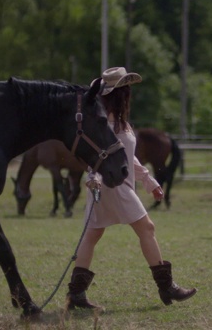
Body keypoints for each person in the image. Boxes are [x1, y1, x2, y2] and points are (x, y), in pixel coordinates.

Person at [66, 67, 197, 310]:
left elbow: (128, 158)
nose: (129, 94)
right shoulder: (103, 121)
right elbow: (93, 152)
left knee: (93, 235)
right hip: (111, 184)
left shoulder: (119, 121)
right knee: (146, 227)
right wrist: (92, 175)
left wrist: (149, 181)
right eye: (126, 89)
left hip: (117, 182)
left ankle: (76, 294)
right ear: (118, 93)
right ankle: (167, 287)